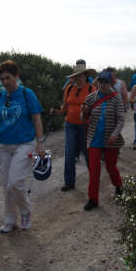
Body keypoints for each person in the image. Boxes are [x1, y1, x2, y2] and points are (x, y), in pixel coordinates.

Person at [0, 61, 46, 233]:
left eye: (8, 78)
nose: (5, 82)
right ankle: (10, 219)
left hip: (24, 144)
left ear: (16, 77)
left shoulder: (27, 94)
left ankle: (26, 212)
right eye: (2, 79)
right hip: (2, 144)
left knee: (15, 182)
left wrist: (40, 142)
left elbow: (36, 119)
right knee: (6, 185)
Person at [81, 70, 125, 211]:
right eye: (101, 81)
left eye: (106, 82)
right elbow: (83, 118)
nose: (103, 84)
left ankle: (118, 186)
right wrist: (84, 112)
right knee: (94, 170)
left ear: (110, 83)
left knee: (111, 167)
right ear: (97, 82)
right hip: (94, 139)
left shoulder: (116, 98)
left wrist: (115, 134)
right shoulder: (90, 98)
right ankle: (93, 199)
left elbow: (121, 119)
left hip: (111, 140)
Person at [51, 64, 96, 192]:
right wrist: (57, 111)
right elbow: (65, 107)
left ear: (85, 76)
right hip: (70, 124)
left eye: (80, 75)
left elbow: (95, 108)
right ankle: (69, 182)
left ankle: (94, 181)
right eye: (76, 76)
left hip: (85, 125)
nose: (78, 78)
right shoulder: (69, 88)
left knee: (87, 154)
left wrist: (87, 111)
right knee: (69, 153)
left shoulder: (91, 89)